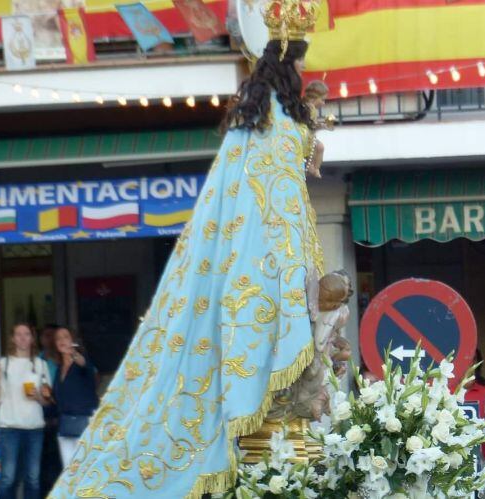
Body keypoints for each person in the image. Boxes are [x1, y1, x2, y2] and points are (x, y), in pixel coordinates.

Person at [50, 7, 336, 494]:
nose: (307, 71)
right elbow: (262, 199)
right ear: (287, 59)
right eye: (302, 60)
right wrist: (286, 268)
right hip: (265, 255)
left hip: (289, 252)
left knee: (305, 373)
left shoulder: (274, 112)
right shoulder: (266, 115)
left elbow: (288, 187)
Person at [0, 323, 51, 499]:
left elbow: (48, 401)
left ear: (32, 338)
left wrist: (38, 397)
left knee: (33, 478)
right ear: (13, 338)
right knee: (8, 477)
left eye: (27, 334)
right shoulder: (3, 364)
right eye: (19, 334)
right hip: (9, 428)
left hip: (34, 428)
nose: (23, 338)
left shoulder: (41, 365)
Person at [52, 326, 98, 467]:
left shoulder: (81, 362)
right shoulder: (58, 368)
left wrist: (73, 353)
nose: (62, 340)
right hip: (66, 425)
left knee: (86, 470)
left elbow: (85, 365)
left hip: (84, 421)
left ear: (73, 340)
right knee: (68, 472)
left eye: (65, 337)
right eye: (58, 338)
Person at [36, 324, 62, 495]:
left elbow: (93, 376)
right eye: (46, 335)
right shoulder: (36, 361)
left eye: (54, 336)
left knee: (61, 465)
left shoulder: (66, 359)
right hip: (40, 416)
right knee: (42, 467)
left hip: (62, 416)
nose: (50, 339)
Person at [465, 348, 485, 462]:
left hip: (484, 458)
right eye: (466, 357)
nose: (470, 362)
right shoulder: (446, 393)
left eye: (473, 359)